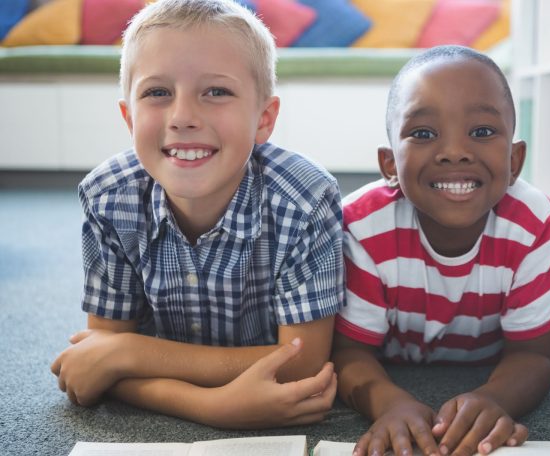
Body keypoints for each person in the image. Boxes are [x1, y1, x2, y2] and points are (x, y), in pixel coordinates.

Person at [50, 0, 344, 429]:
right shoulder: (108, 197)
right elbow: (96, 362)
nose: (183, 117)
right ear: (129, 118)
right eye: (158, 93)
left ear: (264, 119)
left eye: (216, 92)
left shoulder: (306, 199)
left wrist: (134, 354)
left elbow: (303, 365)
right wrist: (212, 406)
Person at [332, 45, 550, 456]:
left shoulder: (534, 225)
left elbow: (535, 356)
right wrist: (389, 401)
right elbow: (349, 351)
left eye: (481, 132)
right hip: (393, 354)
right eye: (423, 134)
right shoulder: (360, 226)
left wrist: (496, 399)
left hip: (493, 353)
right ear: (389, 165)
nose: (454, 151)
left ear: (515, 160)